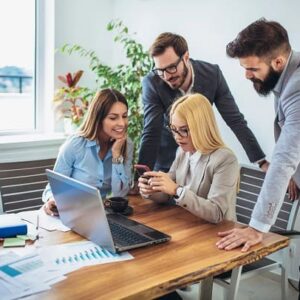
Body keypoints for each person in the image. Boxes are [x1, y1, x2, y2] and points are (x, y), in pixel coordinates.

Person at [216, 18, 300, 252]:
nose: (247, 76)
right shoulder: (288, 74)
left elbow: (283, 160)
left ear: (278, 61)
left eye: (252, 69)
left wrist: (257, 228)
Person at [137, 32, 266, 175]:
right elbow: (151, 131)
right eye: (160, 70)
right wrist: (140, 177)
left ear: (186, 57)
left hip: (202, 164)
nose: (166, 76)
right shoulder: (152, 82)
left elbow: (235, 120)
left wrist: (261, 161)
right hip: (166, 164)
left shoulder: (212, 75)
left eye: (171, 67)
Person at [138, 93, 239, 224]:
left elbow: (216, 213)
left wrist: (176, 190)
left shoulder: (225, 159)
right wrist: (152, 189)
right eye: (173, 129)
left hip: (218, 232)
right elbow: (166, 193)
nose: (177, 137)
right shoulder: (182, 151)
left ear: (201, 127)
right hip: (188, 225)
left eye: (184, 130)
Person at [43, 88, 133, 216]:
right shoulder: (75, 145)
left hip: (103, 215)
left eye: (124, 116)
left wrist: (116, 155)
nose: (122, 123)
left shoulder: (126, 144)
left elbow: (120, 194)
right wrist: (52, 200)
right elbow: (53, 187)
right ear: (98, 118)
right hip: (73, 213)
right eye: (113, 118)